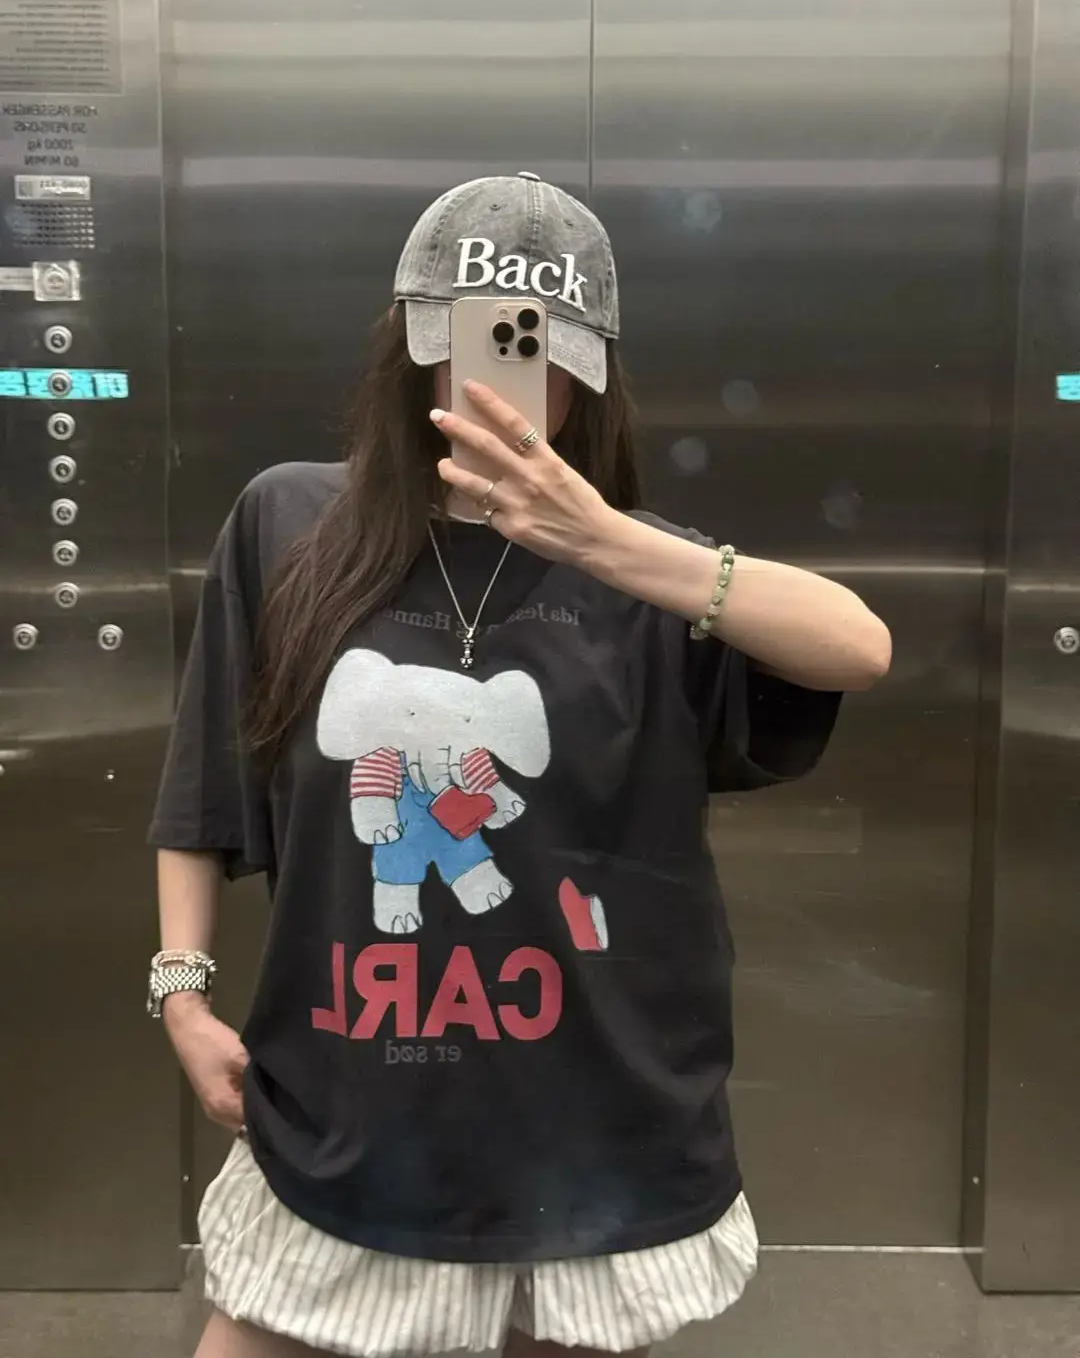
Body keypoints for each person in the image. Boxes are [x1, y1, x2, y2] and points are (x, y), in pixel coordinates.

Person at [148, 172, 891, 1358]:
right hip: (346, 1113)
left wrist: (606, 541)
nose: (501, 380)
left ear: (590, 373)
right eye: (469, 343)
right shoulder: (288, 527)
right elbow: (202, 788)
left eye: (538, 351)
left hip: (596, 1131)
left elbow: (858, 647)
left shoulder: (649, 570)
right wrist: (181, 997)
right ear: (409, 351)